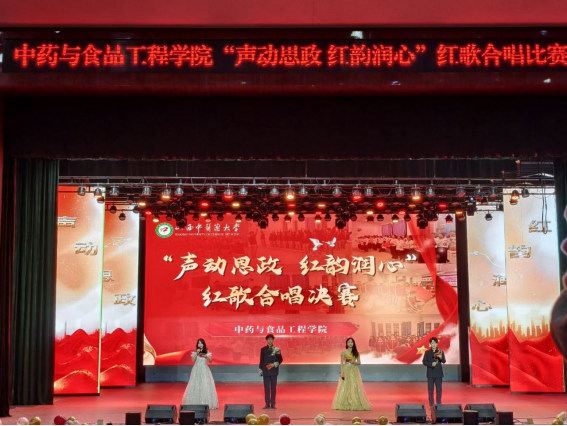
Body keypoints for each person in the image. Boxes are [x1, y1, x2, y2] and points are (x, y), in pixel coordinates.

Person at [332, 338, 372, 411]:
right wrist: (341, 372)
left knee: (354, 386)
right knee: (345, 386)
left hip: (353, 370)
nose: (350, 343)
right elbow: (341, 363)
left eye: (351, 342)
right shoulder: (343, 353)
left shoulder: (356, 353)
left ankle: (355, 401)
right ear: (346, 343)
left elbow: (359, 362)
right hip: (346, 370)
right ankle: (344, 402)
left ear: (353, 343)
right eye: (349, 342)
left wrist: (353, 362)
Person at [182, 338, 219, 409]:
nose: (200, 344)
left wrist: (206, 356)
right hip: (196, 370)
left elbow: (210, 361)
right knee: (195, 385)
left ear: (203, 344)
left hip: (204, 370)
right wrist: (196, 353)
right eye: (199, 343)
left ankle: (205, 402)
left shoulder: (207, 351)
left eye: (201, 343)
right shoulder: (195, 352)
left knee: (204, 385)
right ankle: (195, 402)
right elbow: (192, 360)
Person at [259, 334, 283, 410]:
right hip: (266, 370)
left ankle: (272, 404)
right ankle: (267, 404)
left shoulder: (277, 349)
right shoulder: (263, 349)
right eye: (268, 339)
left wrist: (275, 364)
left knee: (273, 388)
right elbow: (261, 360)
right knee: (266, 388)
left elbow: (280, 359)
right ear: (266, 340)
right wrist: (260, 369)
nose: (270, 341)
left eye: (271, 339)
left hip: (274, 370)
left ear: (273, 340)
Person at [422, 337, 446, 408]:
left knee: (439, 389)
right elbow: (424, 362)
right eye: (432, 343)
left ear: (437, 343)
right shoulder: (427, 352)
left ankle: (439, 403)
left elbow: (444, 361)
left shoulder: (440, 352)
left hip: (438, 374)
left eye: (435, 343)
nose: (433, 344)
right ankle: (431, 404)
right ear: (430, 344)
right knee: (430, 390)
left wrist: (441, 357)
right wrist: (430, 364)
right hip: (430, 373)